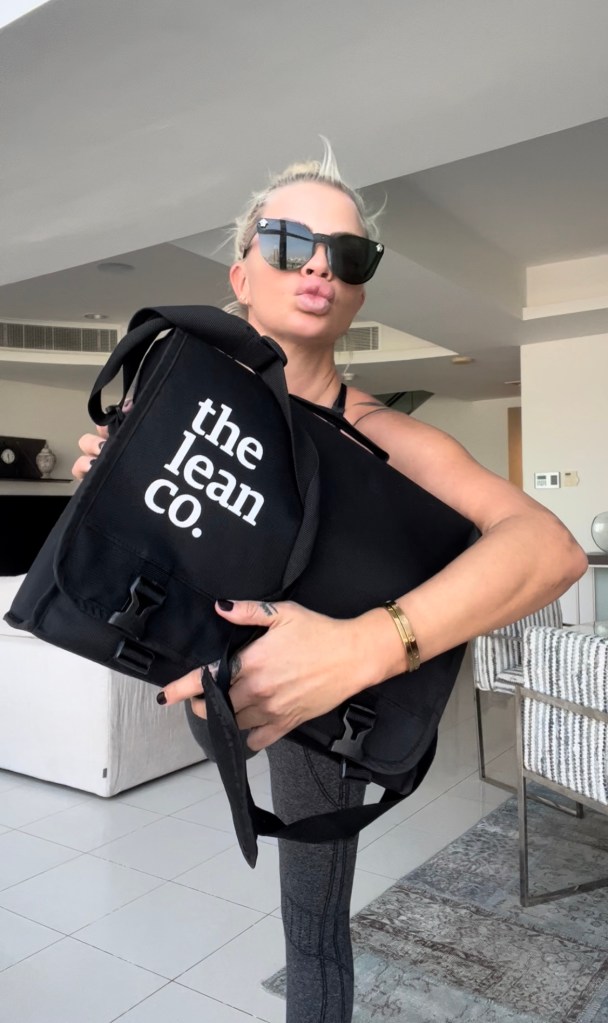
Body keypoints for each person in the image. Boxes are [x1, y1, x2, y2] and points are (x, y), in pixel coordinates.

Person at [73, 141, 587, 1023]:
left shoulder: (389, 434)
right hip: (205, 677)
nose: (318, 265)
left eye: (347, 255)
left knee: (309, 928)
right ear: (242, 274)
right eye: (287, 242)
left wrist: (364, 648)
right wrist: (114, 486)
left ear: (357, 290)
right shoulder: (178, 401)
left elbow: (551, 549)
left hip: (327, 702)